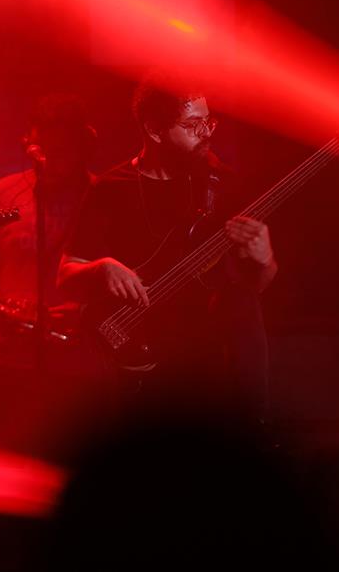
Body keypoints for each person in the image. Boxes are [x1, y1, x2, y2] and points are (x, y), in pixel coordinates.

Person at [58, 70, 276, 416]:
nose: (206, 134)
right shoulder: (110, 189)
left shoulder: (223, 186)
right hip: (138, 363)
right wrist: (102, 269)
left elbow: (254, 289)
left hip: (209, 365)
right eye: (192, 125)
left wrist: (265, 261)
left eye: (208, 122)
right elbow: (65, 278)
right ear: (155, 130)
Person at [0, 93, 97, 461]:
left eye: (60, 150)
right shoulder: (3, 193)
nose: (46, 159)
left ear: (82, 145)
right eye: (40, 149)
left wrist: (86, 312)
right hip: (0, 362)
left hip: (74, 368)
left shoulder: (103, 198)